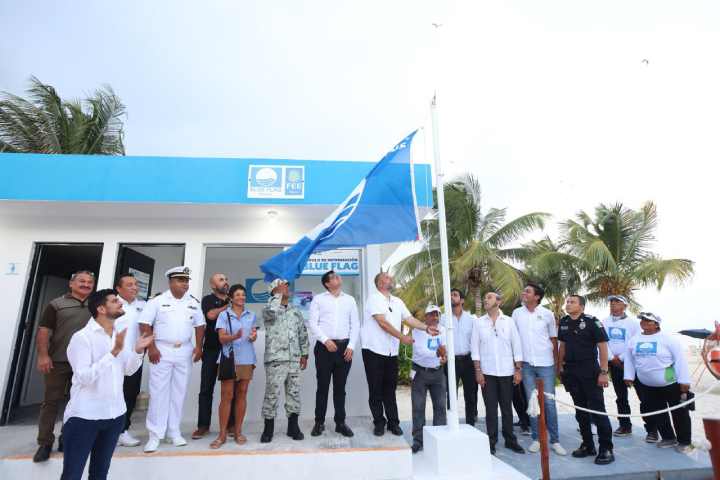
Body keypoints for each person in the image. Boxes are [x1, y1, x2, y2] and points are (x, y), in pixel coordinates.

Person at [60, 289, 154, 480]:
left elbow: (128, 370)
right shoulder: (82, 338)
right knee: (72, 474)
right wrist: (113, 353)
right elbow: (85, 377)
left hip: (114, 415)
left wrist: (137, 351)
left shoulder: (118, 335)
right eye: (114, 301)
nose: (120, 303)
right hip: (84, 417)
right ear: (101, 309)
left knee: (100, 473)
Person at [361, 272, 438, 436]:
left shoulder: (397, 302)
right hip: (373, 351)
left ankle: (393, 423)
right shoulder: (374, 299)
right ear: (381, 283)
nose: (392, 279)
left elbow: (409, 319)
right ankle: (379, 423)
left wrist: (426, 328)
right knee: (375, 390)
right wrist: (402, 337)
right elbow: (382, 323)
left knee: (390, 389)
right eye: (388, 278)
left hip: (391, 353)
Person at [138, 266, 205, 453]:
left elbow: (200, 325)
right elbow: (144, 323)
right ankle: (154, 435)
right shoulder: (157, 301)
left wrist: (199, 346)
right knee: (158, 393)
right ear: (170, 282)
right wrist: (150, 347)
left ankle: (173, 431)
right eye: (181, 280)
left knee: (179, 392)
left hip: (184, 350)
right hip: (162, 349)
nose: (185, 284)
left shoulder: (193, 302)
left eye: (186, 280)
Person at [33, 270, 95, 463]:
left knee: (77, 403)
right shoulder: (56, 304)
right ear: (71, 283)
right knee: (51, 402)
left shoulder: (96, 305)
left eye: (89, 282)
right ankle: (44, 443)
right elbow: (44, 331)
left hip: (84, 363)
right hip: (59, 360)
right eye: (81, 281)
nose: (86, 285)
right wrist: (43, 355)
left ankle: (66, 439)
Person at [624, 312, 693, 453]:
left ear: (656, 324)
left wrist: (684, 380)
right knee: (658, 412)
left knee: (679, 412)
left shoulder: (668, 339)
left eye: (648, 320)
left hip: (670, 383)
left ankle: (685, 442)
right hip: (646, 385)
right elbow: (630, 359)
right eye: (642, 320)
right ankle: (668, 438)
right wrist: (628, 376)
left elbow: (680, 359)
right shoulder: (634, 340)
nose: (644, 322)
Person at [558, 294, 614, 465]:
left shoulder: (592, 321)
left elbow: (603, 347)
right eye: (567, 302)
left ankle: (606, 448)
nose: (568, 304)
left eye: (572, 302)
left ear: (581, 306)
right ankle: (588, 444)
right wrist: (559, 365)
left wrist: (603, 372)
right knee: (580, 410)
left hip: (590, 370)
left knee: (597, 410)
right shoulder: (564, 322)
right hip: (571, 371)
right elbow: (563, 345)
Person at [513, 282, 566, 455]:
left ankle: (555, 440)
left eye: (527, 291)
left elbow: (554, 339)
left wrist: (557, 364)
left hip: (546, 364)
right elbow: (514, 340)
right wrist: (517, 366)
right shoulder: (516, 313)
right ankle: (536, 438)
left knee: (549, 403)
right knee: (532, 403)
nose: (524, 293)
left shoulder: (547, 314)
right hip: (526, 365)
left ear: (536, 297)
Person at [306, 270, 359, 438]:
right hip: (324, 349)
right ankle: (319, 422)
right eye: (334, 277)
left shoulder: (349, 300)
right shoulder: (318, 300)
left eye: (338, 276)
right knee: (322, 387)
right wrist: (325, 340)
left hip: (344, 349)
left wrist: (351, 346)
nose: (338, 278)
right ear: (327, 284)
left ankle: (340, 423)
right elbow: (312, 323)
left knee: (340, 388)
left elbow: (355, 324)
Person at [471, 292, 525, 455]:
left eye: (489, 297)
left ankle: (510, 440)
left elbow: (517, 346)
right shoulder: (478, 323)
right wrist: (478, 371)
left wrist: (518, 370)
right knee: (491, 409)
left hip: (507, 372)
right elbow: (475, 349)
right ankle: (491, 441)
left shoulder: (508, 321)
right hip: (487, 372)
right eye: (485, 297)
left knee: (507, 408)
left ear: (499, 301)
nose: (485, 300)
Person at [260, 278, 310, 443]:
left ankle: (293, 427)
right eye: (282, 286)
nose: (286, 288)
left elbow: (302, 333)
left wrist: (304, 354)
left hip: (294, 359)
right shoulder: (269, 308)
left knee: (294, 394)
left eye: (287, 286)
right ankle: (268, 429)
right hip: (276, 359)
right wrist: (277, 295)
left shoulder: (295, 311)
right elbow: (271, 313)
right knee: (272, 394)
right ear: (274, 290)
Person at [210, 284, 258, 449]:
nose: (241, 297)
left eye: (243, 295)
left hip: (246, 358)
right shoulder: (224, 315)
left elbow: (252, 336)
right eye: (237, 295)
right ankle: (222, 434)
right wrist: (234, 336)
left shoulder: (251, 315)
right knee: (226, 396)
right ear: (231, 297)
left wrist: (253, 336)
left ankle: (238, 432)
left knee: (242, 394)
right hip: (229, 359)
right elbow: (222, 339)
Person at [193, 272, 233, 440]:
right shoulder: (208, 300)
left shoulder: (234, 299)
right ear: (213, 285)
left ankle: (230, 425)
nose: (225, 282)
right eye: (221, 280)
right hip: (211, 350)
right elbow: (210, 315)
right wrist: (227, 306)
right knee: (206, 389)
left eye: (226, 279)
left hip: (229, 350)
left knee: (230, 390)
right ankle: (203, 426)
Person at [602, 294, 647, 438]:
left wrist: (621, 357)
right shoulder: (604, 321)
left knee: (643, 396)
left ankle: (651, 428)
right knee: (621, 396)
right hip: (613, 364)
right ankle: (625, 426)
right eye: (611, 302)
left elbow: (635, 341)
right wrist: (611, 358)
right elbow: (603, 342)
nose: (613, 305)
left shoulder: (633, 323)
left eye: (617, 302)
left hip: (630, 363)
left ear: (625, 306)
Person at [114, 273, 147, 447]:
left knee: (130, 395)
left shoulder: (143, 305)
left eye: (135, 284)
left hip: (135, 359)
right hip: (114, 360)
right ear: (119, 289)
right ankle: (107, 431)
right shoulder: (112, 305)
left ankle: (122, 431)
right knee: (112, 395)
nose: (134, 287)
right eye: (129, 285)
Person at [411, 304, 448, 454]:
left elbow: (445, 346)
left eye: (437, 314)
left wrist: (444, 355)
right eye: (432, 314)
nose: (435, 317)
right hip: (420, 372)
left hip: (438, 373)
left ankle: (437, 439)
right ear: (425, 317)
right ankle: (418, 440)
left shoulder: (443, 329)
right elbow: (420, 351)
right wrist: (438, 354)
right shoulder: (417, 330)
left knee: (440, 407)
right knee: (418, 407)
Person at [443, 288, 478, 426]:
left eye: (455, 295)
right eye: (450, 295)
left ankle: (471, 423)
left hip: (468, 360)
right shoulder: (443, 319)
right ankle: (452, 423)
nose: (452, 297)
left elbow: (476, 341)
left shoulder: (472, 319)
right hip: (451, 361)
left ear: (462, 300)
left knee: (470, 393)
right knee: (451, 393)